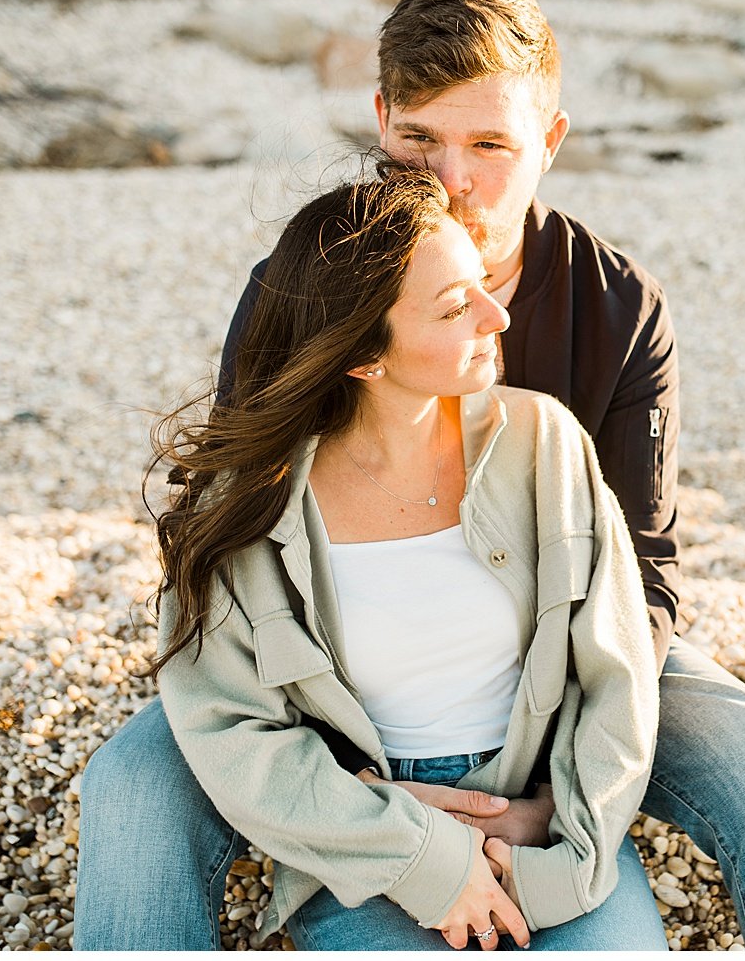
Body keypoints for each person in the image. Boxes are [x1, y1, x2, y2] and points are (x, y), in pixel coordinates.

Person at [76, 0, 745, 951]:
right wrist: (362, 789)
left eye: (489, 145)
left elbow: (644, 567)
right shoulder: (313, 293)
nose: (448, 179)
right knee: (128, 781)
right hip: (343, 682)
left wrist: (550, 783)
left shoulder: (616, 307)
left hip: (575, 645)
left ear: (548, 140)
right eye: (419, 139)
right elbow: (236, 532)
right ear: (380, 120)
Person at [136, 164, 667, 951]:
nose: (498, 316)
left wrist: (562, 850)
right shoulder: (246, 507)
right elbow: (236, 735)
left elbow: (615, 676)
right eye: (457, 307)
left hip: (551, 826)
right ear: (363, 357)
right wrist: (422, 856)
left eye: (483, 283)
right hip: (360, 844)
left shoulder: (545, 441)